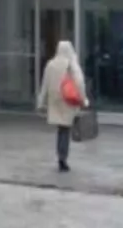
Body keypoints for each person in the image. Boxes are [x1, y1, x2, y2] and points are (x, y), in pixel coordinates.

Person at [36, 40, 88, 172]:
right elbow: (79, 83)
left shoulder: (51, 64)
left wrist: (41, 101)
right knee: (65, 130)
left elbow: (45, 85)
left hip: (55, 101)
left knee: (61, 129)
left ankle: (60, 156)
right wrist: (83, 100)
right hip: (68, 101)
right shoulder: (71, 64)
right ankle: (63, 158)